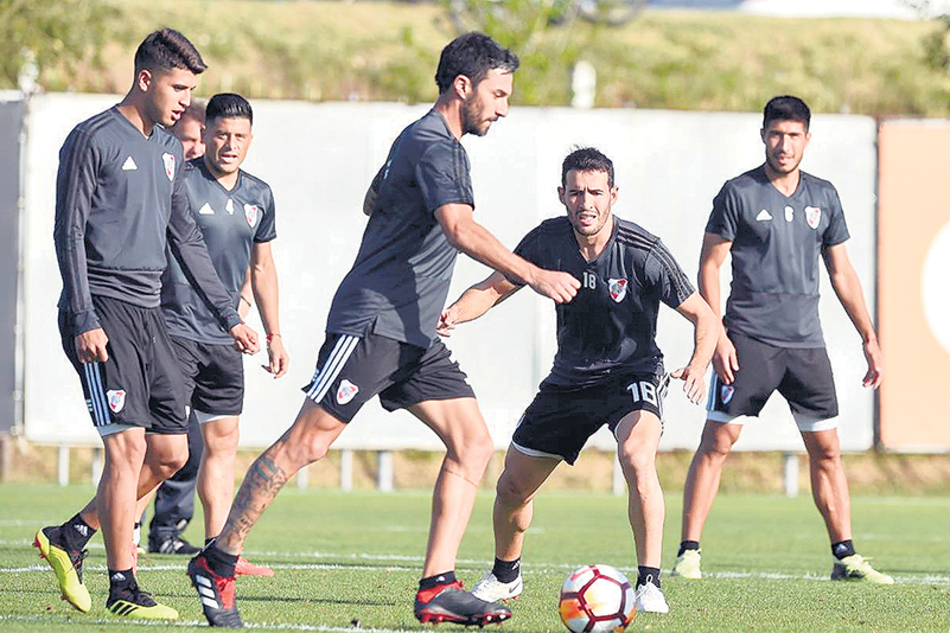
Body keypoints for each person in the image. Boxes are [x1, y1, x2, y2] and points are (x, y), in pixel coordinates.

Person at [186, 32, 579, 628]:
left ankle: (436, 587)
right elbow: (458, 228)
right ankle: (218, 561)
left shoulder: (416, 139)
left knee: (473, 444)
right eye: (498, 94)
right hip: (372, 322)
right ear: (463, 86)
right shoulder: (436, 146)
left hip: (414, 332)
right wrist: (534, 274)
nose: (503, 108)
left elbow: (374, 199)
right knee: (308, 445)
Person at [34, 28, 258, 620]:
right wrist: (83, 314)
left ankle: (70, 535)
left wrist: (226, 313)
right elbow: (69, 234)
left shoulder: (166, 149)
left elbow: (183, 235)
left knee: (170, 453)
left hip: (150, 316)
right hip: (101, 310)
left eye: (191, 88)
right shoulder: (92, 139)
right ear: (146, 79)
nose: (187, 100)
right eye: (180, 87)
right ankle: (123, 583)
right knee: (129, 446)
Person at [438, 147, 718, 614]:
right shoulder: (547, 243)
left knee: (635, 455)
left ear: (613, 195)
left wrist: (698, 361)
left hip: (633, 374)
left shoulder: (642, 251)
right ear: (562, 195)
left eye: (594, 192)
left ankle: (649, 583)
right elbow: (493, 288)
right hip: (570, 381)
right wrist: (454, 314)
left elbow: (704, 316)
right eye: (575, 193)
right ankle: (506, 575)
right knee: (510, 488)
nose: (585, 202)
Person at [671, 95, 891, 584]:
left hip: (806, 345)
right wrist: (718, 335)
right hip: (748, 340)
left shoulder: (824, 196)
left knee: (827, 450)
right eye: (776, 134)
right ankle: (689, 552)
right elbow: (710, 264)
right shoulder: (738, 193)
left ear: (807, 140)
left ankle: (846, 555)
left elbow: (842, 272)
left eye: (794, 136)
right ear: (763, 134)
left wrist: (869, 336)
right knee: (718, 441)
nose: (784, 144)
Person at [159, 92, 287, 576]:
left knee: (223, 443)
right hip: (172, 329)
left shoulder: (260, 195)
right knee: (163, 451)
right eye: (221, 135)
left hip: (226, 338)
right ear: (205, 134)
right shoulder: (180, 182)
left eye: (239, 137)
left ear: (251, 140)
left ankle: (218, 549)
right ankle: (123, 542)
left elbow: (263, 268)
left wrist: (275, 334)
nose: (230, 145)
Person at [145, 97, 207, 556]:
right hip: (156, 322)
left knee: (192, 443)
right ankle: (120, 523)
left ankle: (166, 530)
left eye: (201, 140)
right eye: (188, 139)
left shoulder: (220, 191)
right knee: (157, 439)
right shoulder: (157, 178)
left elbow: (239, 256)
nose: (196, 148)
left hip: (201, 329)